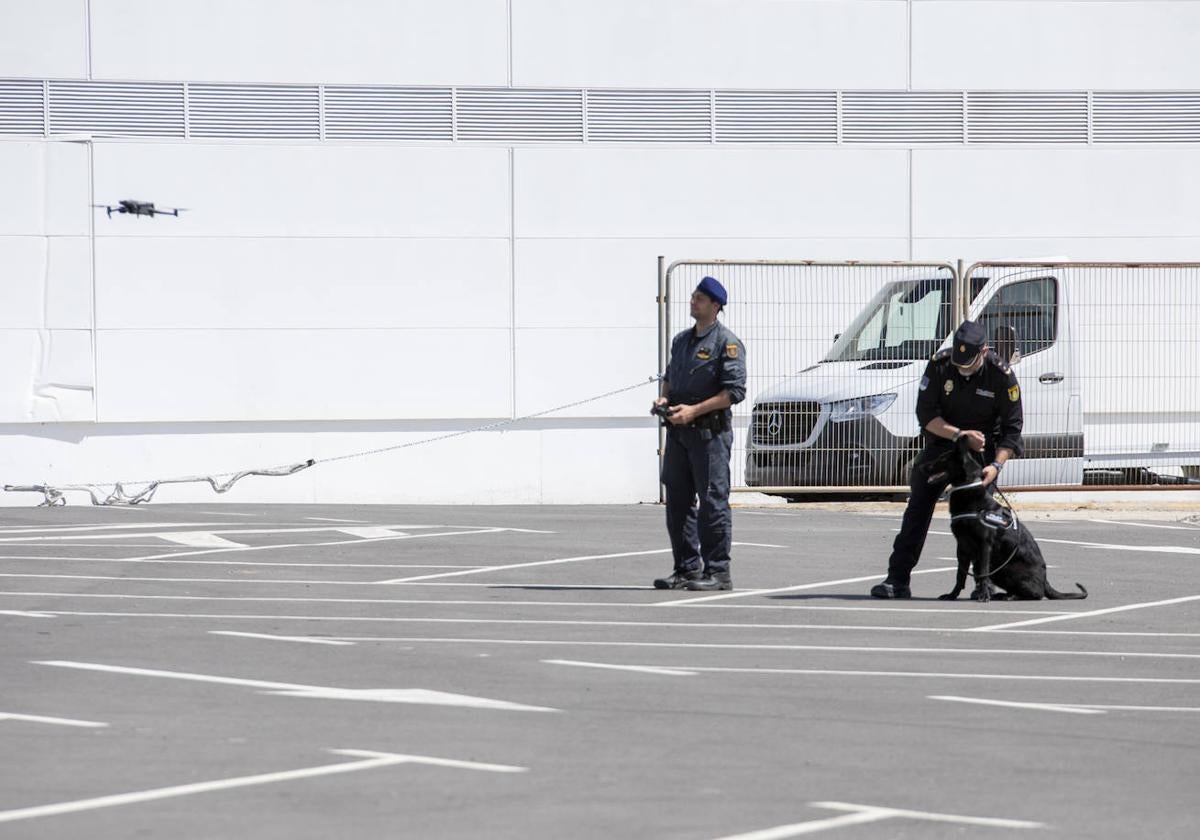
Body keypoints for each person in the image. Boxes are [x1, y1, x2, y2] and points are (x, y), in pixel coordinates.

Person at [870, 319, 1024, 599]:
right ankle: (897, 579)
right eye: (959, 361)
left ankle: (983, 584)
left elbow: (1013, 431)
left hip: (981, 457)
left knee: (981, 519)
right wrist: (959, 435)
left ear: (984, 351)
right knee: (917, 508)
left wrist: (996, 465)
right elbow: (926, 416)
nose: (962, 367)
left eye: (969, 363)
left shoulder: (1001, 375)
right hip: (943, 447)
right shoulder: (940, 365)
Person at [652, 276, 747, 592]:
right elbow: (670, 377)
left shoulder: (726, 343)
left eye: (700, 299)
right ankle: (687, 568)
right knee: (677, 502)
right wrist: (665, 400)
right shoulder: (681, 341)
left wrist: (694, 411)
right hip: (679, 434)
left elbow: (734, 391)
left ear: (715, 306)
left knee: (712, 502)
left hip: (710, 436)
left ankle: (719, 572)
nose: (693, 301)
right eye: (693, 297)